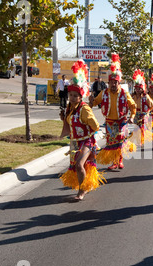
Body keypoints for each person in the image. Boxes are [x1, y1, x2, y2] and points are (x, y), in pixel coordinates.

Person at [59, 60, 105, 201]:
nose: (72, 98)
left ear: (80, 97)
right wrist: (64, 118)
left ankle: (81, 192)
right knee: (78, 166)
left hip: (86, 141)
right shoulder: (70, 108)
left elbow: (96, 125)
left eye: (75, 96)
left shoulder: (84, 108)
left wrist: (88, 131)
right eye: (70, 95)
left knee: (80, 165)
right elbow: (71, 124)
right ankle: (85, 186)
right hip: (74, 143)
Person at [89, 53, 137, 170]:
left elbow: (133, 105)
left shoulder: (124, 93)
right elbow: (94, 103)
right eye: (111, 82)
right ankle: (114, 162)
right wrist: (90, 101)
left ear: (118, 83)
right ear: (108, 83)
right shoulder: (104, 92)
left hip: (121, 121)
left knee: (120, 140)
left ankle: (119, 161)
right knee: (111, 142)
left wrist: (132, 116)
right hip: (109, 121)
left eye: (115, 82)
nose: (113, 84)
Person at [131, 69, 153, 146]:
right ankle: (139, 140)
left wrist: (147, 112)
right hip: (136, 114)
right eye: (136, 88)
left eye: (139, 88)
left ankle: (141, 141)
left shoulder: (146, 96)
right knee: (136, 129)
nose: (138, 90)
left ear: (142, 89)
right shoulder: (133, 96)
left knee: (141, 128)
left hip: (143, 114)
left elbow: (151, 105)